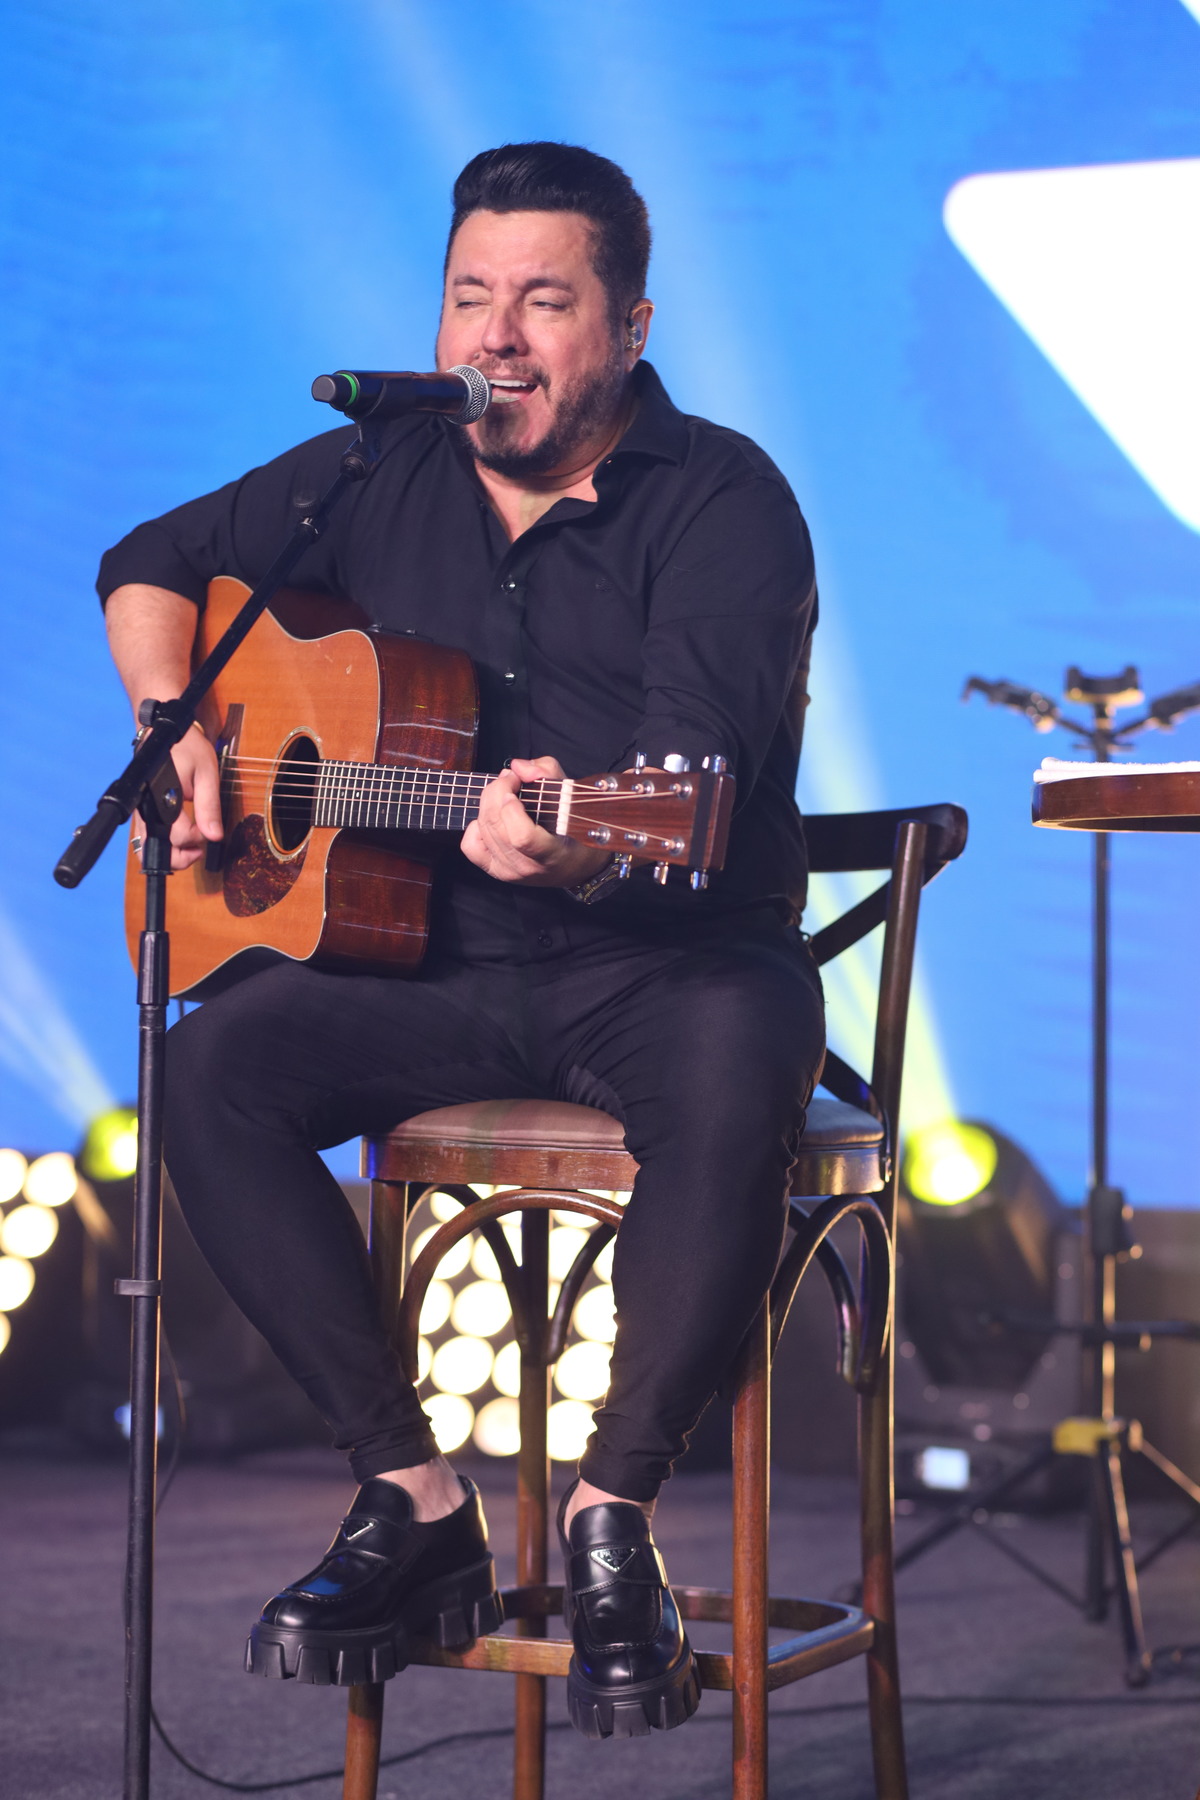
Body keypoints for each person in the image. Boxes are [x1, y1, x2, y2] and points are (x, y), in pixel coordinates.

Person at [98, 142, 825, 1740]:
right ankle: (414, 1500)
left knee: (733, 1061)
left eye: (544, 301)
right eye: (470, 296)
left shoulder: (726, 502)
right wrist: (176, 725)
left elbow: (692, 786)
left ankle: (611, 1518)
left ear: (629, 327)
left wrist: (578, 834)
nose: (496, 337)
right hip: (431, 964)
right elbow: (149, 563)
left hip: (668, 959)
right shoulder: (371, 470)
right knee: (210, 1070)